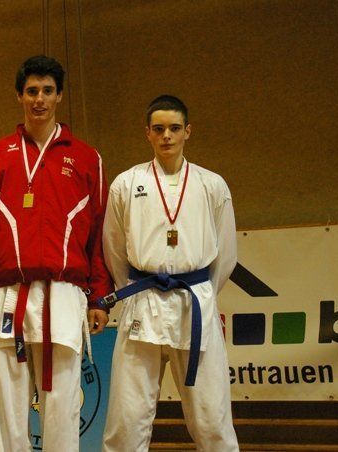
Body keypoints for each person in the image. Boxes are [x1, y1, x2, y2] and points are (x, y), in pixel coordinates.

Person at [0, 55, 113, 451]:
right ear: (19, 96)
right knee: (5, 407)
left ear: (59, 96)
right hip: (8, 293)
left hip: (63, 292)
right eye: (32, 91)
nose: (39, 100)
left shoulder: (87, 158)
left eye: (48, 91)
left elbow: (98, 232)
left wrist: (99, 297)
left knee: (62, 403)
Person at [101, 95, 239, 452]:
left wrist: (203, 291)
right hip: (142, 300)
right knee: (127, 419)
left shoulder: (212, 185)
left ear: (187, 131)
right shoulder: (126, 183)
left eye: (174, 128)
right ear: (147, 133)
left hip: (194, 303)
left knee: (212, 419)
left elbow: (225, 254)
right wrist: (132, 286)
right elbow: (113, 247)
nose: (167, 136)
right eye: (159, 129)